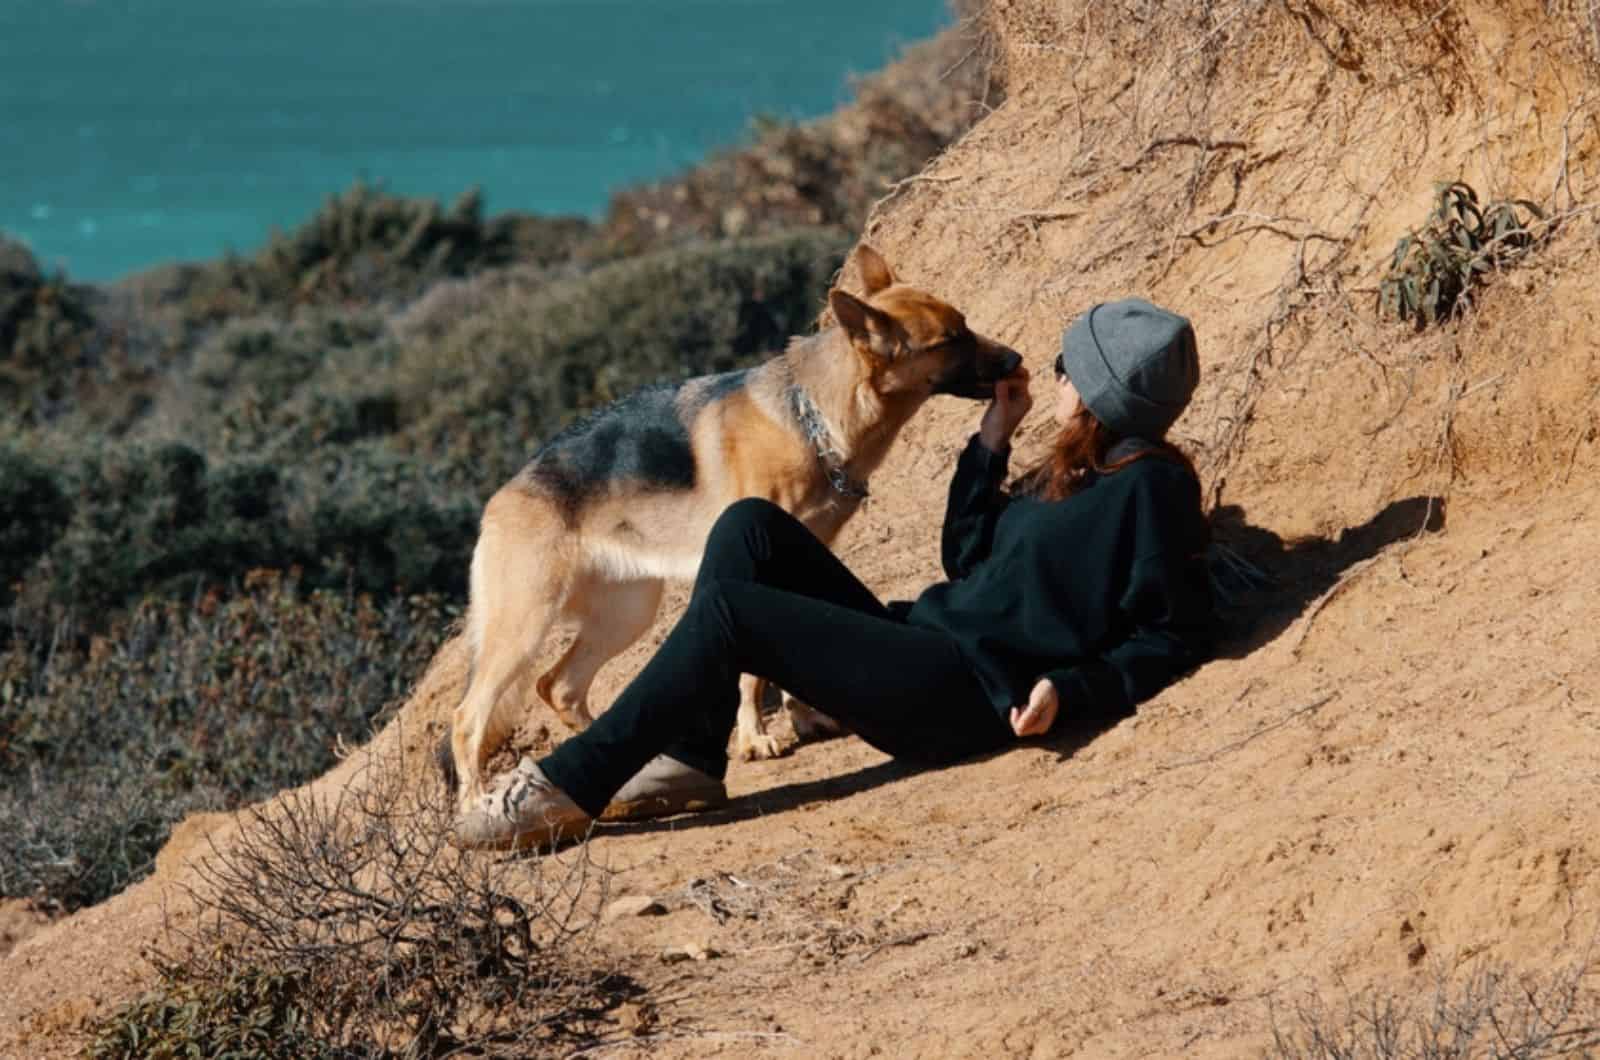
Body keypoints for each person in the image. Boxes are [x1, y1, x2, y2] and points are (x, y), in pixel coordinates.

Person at [454, 297, 1215, 850]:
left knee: (732, 615)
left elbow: (1171, 633)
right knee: (749, 530)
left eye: (1067, 368)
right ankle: (691, 756)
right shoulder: (1071, 468)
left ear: (1101, 391)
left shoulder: (1152, 491)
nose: (1052, 376)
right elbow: (969, 559)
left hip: (965, 693)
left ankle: (566, 787)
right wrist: (992, 441)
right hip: (920, 642)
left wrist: (1072, 690)